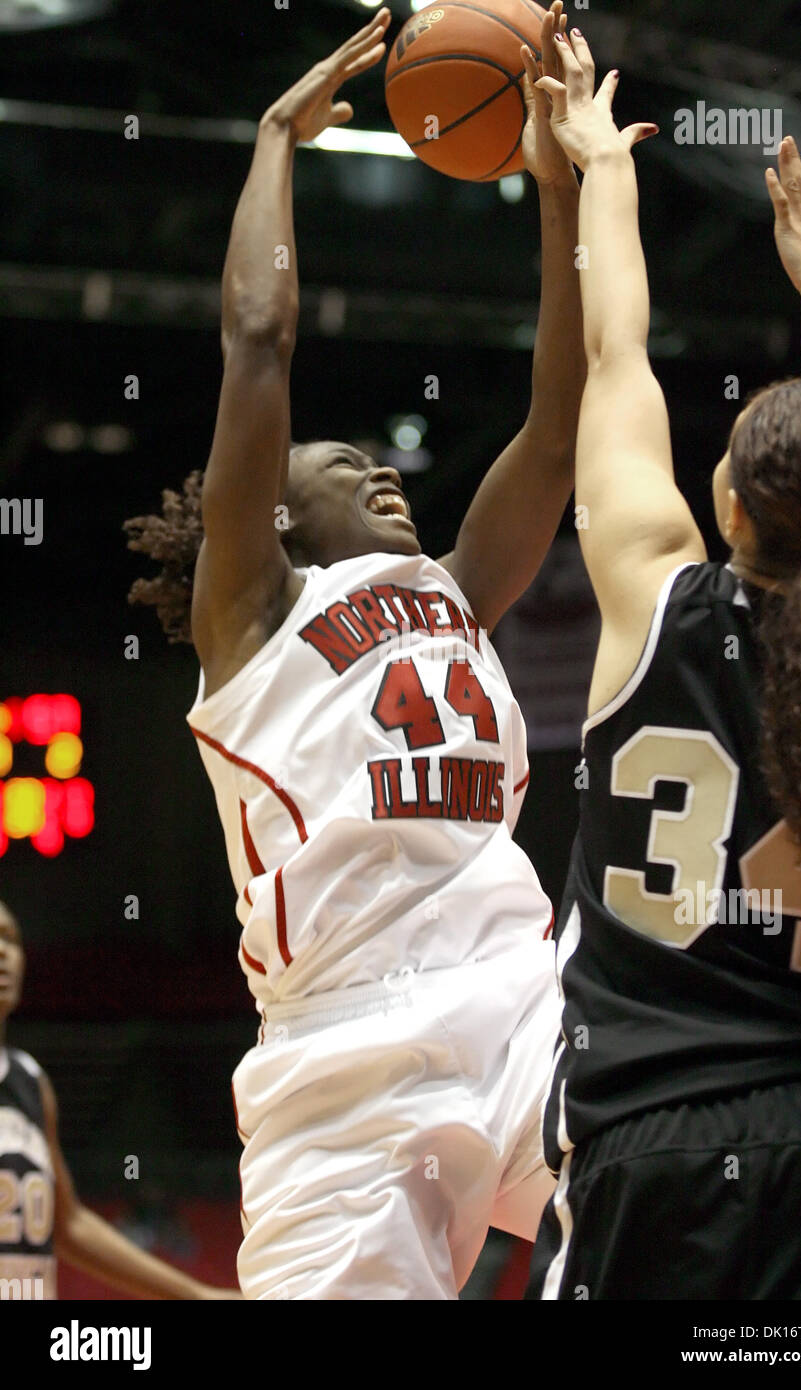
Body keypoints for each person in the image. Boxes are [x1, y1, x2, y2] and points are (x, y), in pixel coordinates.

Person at [124, 6, 617, 1300]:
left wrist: (556, 192)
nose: (383, 470)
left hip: (517, 1003)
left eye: (383, 458)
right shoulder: (253, 618)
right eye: (344, 466)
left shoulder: (453, 589)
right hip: (343, 1059)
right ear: (277, 517)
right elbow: (257, 342)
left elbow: (557, 431)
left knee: (685, 1156)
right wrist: (275, 141)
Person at [525, 28, 801, 1300]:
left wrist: (602, 168)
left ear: (723, 507)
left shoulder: (654, 597)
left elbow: (614, 357)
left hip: (652, 1139)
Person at [0, 899, 238, 1300]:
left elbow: (69, 1224)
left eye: (11, 938)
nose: (4, 952)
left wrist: (197, 1295)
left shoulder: (30, 1082)